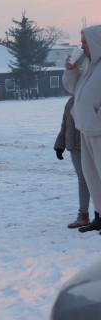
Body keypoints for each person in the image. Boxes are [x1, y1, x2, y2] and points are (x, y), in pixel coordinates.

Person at [63, 26, 101, 233]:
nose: (82, 47)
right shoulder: (87, 67)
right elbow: (72, 88)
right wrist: (71, 70)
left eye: (85, 42)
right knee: (92, 176)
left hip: (99, 129)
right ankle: (99, 215)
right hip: (85, 129)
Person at [55, 96, 93, 229]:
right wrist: (60, 145)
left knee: (96, 180)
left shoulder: (94, 97)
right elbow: (65, 124)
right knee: (83, 180)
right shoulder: (71, 101)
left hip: (92, 145)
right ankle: (83, 215)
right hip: (75, 147)